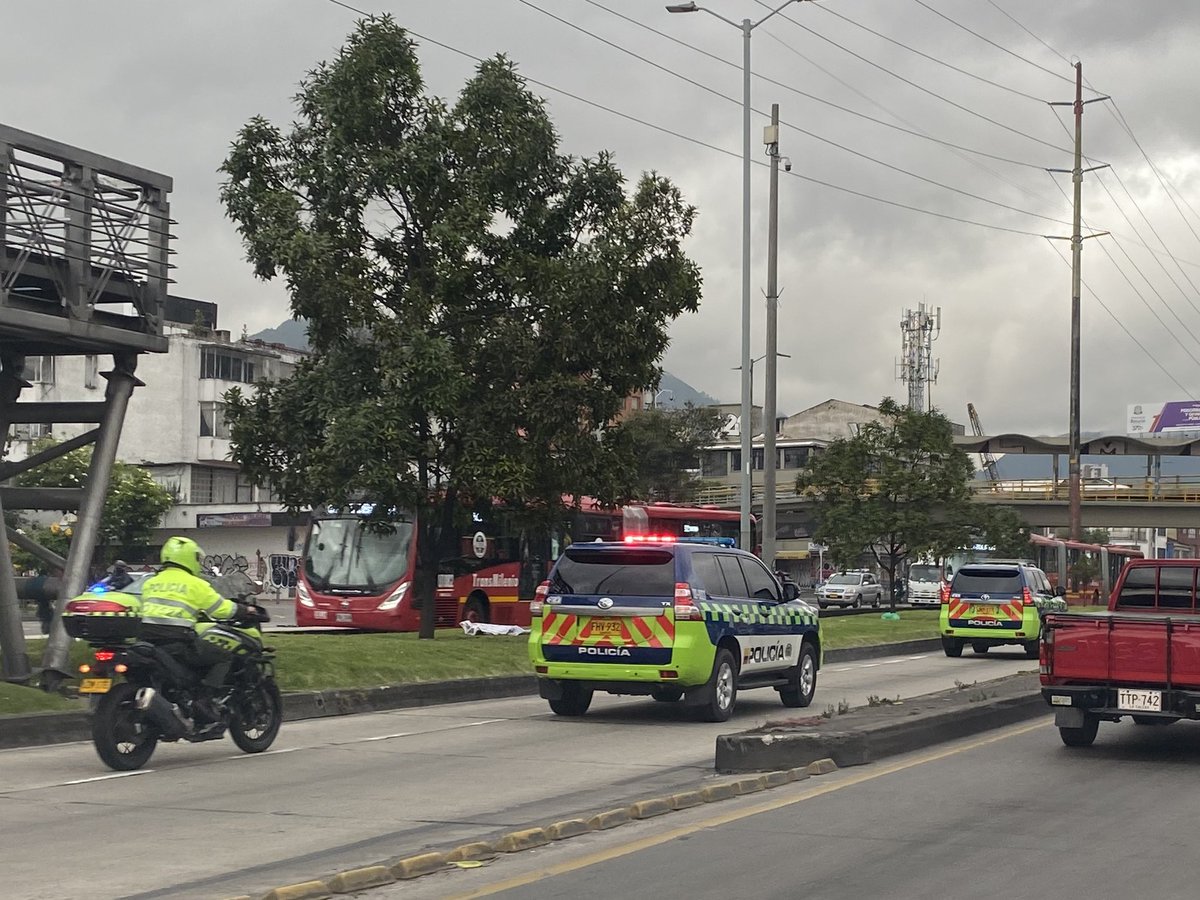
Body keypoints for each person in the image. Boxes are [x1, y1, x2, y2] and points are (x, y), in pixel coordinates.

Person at [139, 537, 259, 721]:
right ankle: (205, 700)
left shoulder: (150, 583)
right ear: (189, 558)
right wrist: (245, 610)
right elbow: (222, 609)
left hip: (147, 642)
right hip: (177, 644)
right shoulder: (195, 584)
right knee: (224, 656)